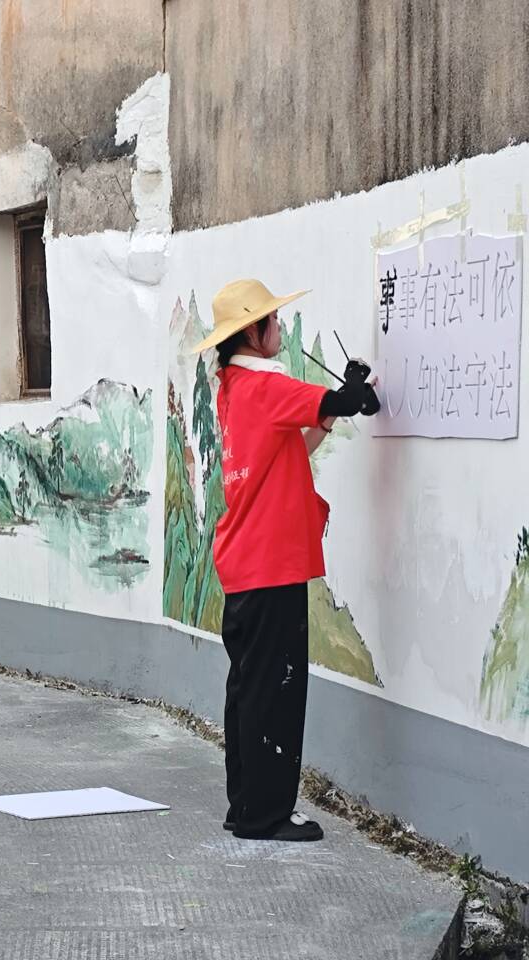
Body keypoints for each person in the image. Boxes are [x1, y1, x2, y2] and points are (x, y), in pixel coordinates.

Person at [192, 279, 379, 843]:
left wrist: (332, 412)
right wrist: (352, 392)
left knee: (249, 690)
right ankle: (267, 816)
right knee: (276, 691)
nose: (279, 328)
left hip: (246, 563)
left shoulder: (231, 390)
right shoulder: (264, 384)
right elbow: (335, 401)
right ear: (254, 331)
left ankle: (245, 807)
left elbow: (289, 450)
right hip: (272, 564)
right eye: (272, 320)